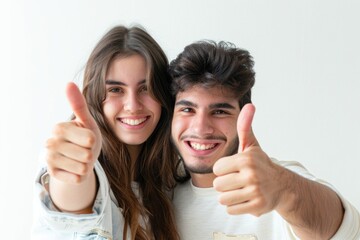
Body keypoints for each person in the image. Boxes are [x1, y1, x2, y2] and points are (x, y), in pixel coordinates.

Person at [169, 41, 360, 239]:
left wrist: (283, 188)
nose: (200, 128)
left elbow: (344, 227)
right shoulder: (160, 194)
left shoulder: (273, 180)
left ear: (244, 117)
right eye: (187, 110)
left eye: (219, 111)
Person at [32, 25, 180, 240]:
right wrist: (75, 169)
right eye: (115, 90)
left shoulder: (168, 181)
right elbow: (75, 209)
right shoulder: (87, 165)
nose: (132, 105)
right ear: (95, 97)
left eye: (145, 88)